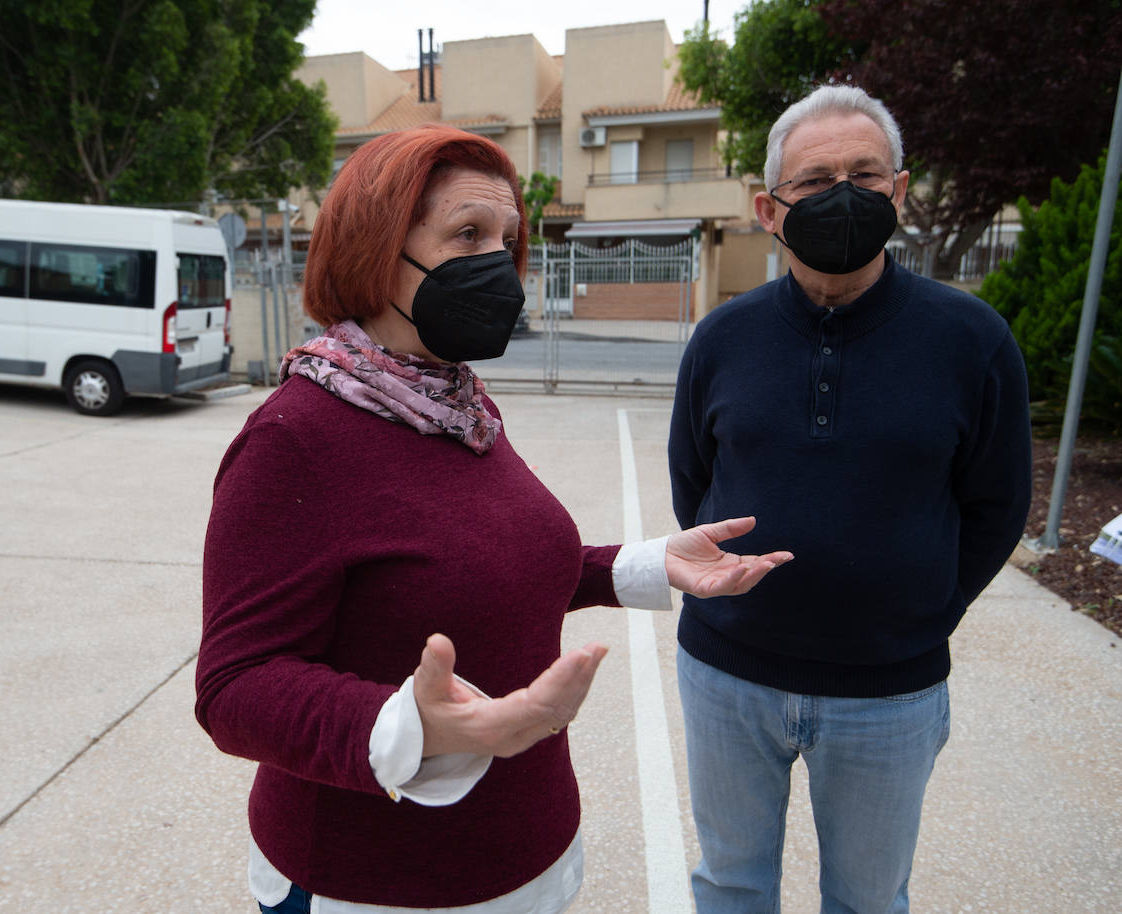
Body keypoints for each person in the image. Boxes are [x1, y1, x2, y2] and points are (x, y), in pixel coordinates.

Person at [194, 124, 792, 913]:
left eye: (507, 241)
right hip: (375, 883)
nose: (498, 267)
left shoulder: (457, 404)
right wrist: (411, 726)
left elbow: (495, 562)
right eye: (466, 234)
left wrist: (645, 563)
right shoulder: (295, 437)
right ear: (377, 250)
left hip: (531, 855)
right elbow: (234, 688)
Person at [667, 85, 1033, 912]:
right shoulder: (723, 338)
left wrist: (920, 610)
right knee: (729, 883)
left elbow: (997, 505)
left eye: (866, 175)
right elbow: (694, 481)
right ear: (768, 207)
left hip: (890, 692)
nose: (843, 194)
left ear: (900, 193)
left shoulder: (972, 341)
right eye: (815, 178)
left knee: (869, 899)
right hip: (728, 676)